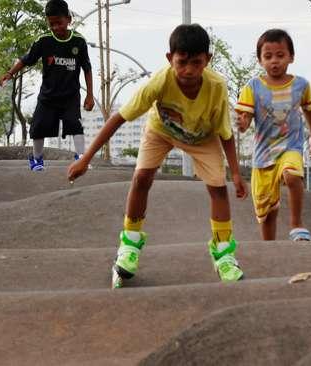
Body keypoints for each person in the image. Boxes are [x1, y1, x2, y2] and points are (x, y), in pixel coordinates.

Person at [67, 24, 247, 287]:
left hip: (203, 137)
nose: (188, 70)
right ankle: (129, 245)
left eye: (196, 63)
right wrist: (85, 159)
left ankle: (224, 255)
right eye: (181, 62)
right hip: (161, 131)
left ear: (207, 60)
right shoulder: (160, 81)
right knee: (141, 178)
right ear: (169, 59)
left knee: (219, 190)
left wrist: (235, 173)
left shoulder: (217, 86)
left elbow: (225, 132)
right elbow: (118, 119)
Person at [235, 29, 311, 241]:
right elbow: (245, 116)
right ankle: (269, 248)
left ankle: (297, 224)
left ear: (291, 56)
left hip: (291, 146)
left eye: (280, 55)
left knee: (292, 175)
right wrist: (243, 123)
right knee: (266, 211)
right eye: (268, 56)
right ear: (260, 60)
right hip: (264, 155)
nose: (275, 61)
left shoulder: (301, 85)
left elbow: (309, 110)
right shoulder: (252, 87)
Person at [0, 0, 94, 171]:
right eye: (52, 24)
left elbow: (87, 68)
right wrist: (10, 73)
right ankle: (37, 159)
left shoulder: (79, 41)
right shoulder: (44, 41)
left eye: (59, 23)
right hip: (48, 96)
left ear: (69, 20)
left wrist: (89, 95)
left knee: (74, 124)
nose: (56, 27)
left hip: (70, 95)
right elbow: (26, 59)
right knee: (39, 127)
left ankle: (81, 158)